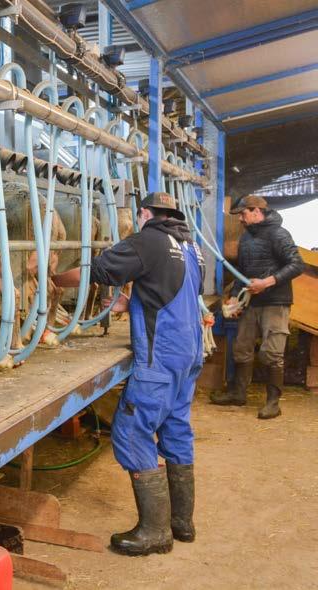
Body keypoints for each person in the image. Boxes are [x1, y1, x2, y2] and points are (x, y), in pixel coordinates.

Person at [53, 192, 205, 556]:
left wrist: (53, 279)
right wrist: (132, 302)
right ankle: (181, 523)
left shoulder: (148, 239)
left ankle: (154, 532)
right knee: (176, 429)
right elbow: (174, 291)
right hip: (188, 352)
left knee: (132, 430)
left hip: (161, 355)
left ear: (145, 214)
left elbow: (98, 271)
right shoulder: (191, 246)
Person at [210, 195, 304, 418]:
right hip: (251, 302)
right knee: (241, 348)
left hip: (275, 302)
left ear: (256, 211)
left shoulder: (279, 234)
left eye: (243, 214)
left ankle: (273, 403)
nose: (240, 219)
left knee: (272, 352)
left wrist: (267, 282)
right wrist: (235, 297)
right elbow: (242, 272)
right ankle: (238, 394)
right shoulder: (246, 238)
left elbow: (297, 264)